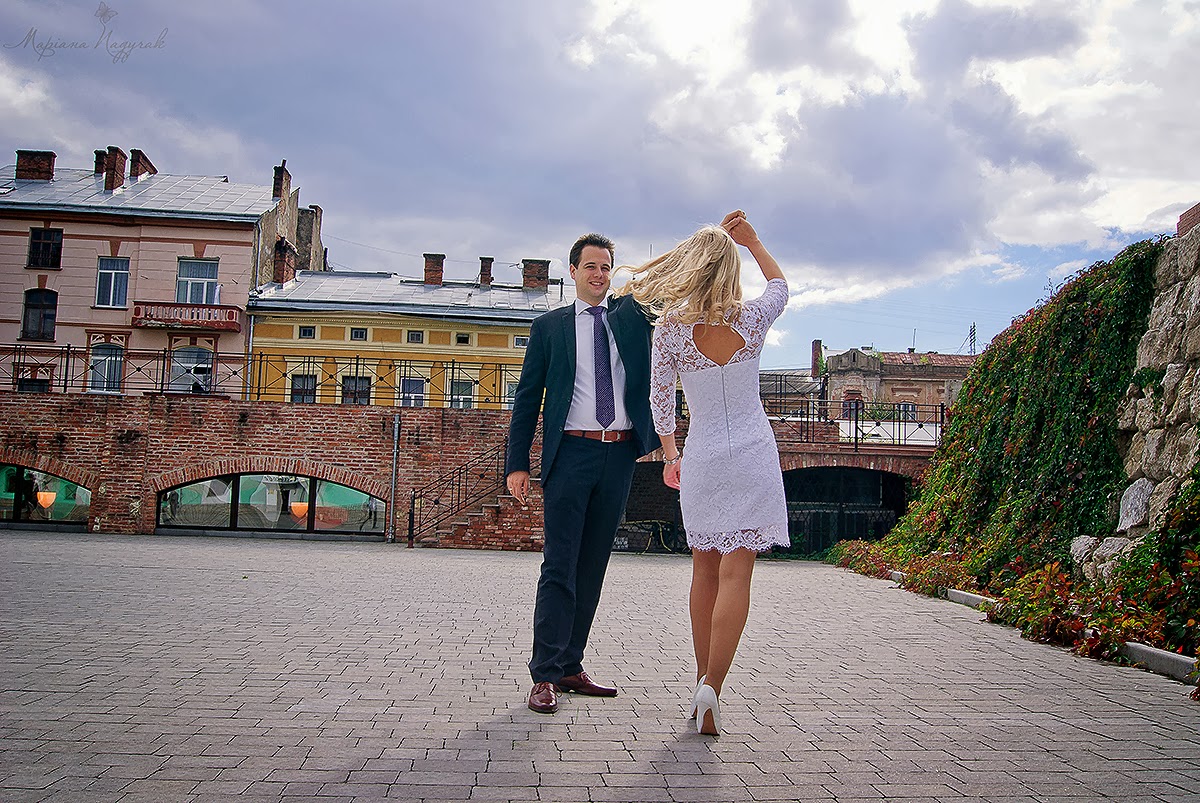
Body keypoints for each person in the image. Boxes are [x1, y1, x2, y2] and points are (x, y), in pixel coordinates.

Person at [617, 210, 789, 735]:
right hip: (754, 452)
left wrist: (672, 455)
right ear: (730, 269)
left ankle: (700, 682)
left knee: (704, 572)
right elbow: (780, 287)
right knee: (738, 574)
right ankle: (714, 685)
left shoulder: (671, 329)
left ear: (691, 266)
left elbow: (660, 399)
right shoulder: (752, 319)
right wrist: (752, 241)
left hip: (705, 455)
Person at [505, 233, 659, 714]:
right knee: (559, 564)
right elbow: (527, 399)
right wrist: (517, 464)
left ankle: (571, 664)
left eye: (606, 266)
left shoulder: (633, 317)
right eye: (590, 266)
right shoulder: (549, 327)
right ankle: (545, 674)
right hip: (570, 454)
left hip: (619, 455)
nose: (599, 274)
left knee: (593, 565)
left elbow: (667, 280)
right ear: (572, 271)